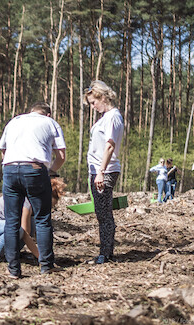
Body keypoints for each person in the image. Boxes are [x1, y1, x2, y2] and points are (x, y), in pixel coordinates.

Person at [0, 102, 66, 278]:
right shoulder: (50, 123)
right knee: (43, 218)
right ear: (48, 114)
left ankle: (13, 269)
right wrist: (50, 172)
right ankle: (46, 265)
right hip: (35, 169)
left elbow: (3, 152)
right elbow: (61, 155)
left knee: (11, 221)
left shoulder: (14, 121)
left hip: (10, 169)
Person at [0, 178, 66, 263]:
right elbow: (25, 234)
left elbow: (32, 233)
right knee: (17, 228)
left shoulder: (32, 206)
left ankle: (10, 253)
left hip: (0, 228)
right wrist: (41, 258)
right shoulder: (26, 202)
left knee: (29, 226)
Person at [85, 80, 124, 265]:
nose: (93, 107)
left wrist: (101, 172)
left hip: (105, 171)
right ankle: (104, 251)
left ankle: (106, 254)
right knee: (101, 212)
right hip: (98, 170)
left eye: (94, 102)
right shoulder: (105, 117)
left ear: (102, 97)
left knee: (104, 213)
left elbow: (110, 146)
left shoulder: (113, 117)